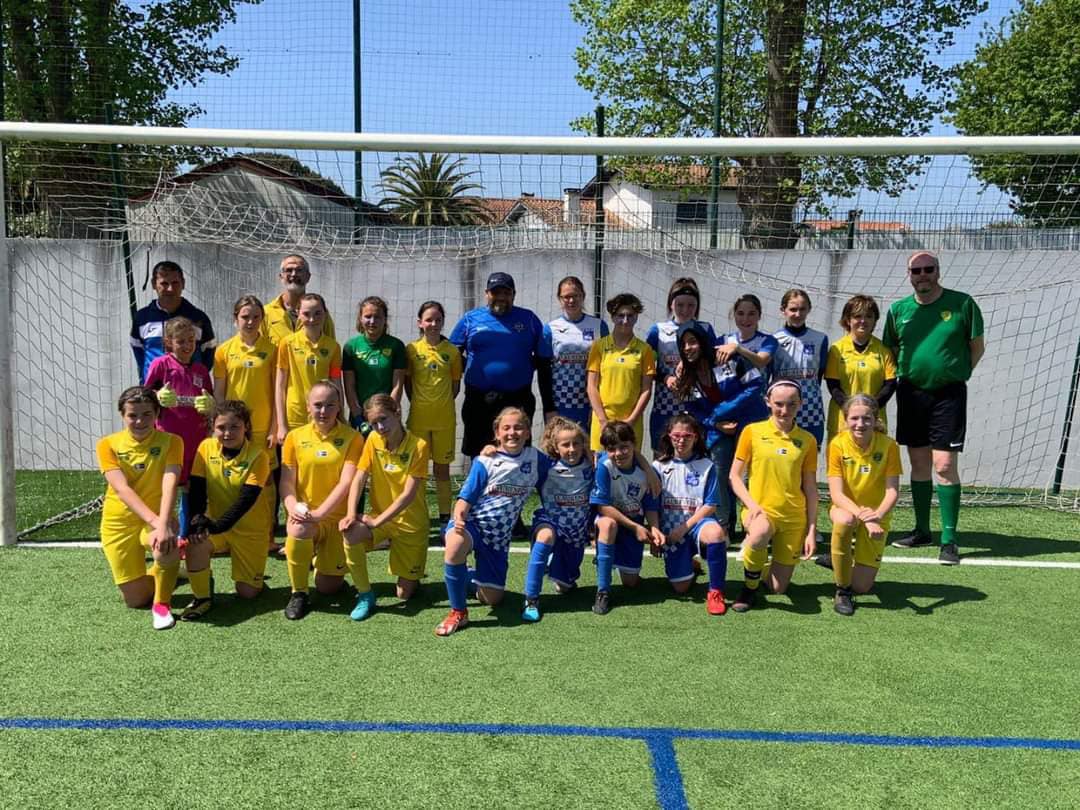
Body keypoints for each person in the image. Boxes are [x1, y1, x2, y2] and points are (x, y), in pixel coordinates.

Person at [883, 251, 984, 565]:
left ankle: (949, 539)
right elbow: (891, 349)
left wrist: (960, 373)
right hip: (911, 393)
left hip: (948, 394)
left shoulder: (962, 304)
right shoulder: (898, 310)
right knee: (919, 462)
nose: (922, 275)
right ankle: (922, 530)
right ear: (908, 274)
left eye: (928, 269)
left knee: (943, 465)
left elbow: (976, 346)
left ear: (937, 271)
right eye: (917, 270)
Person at [435, 407, 551, 636]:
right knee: (455, 544)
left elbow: (564, 467)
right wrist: (458, 519)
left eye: (518, 427)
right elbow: (464, 500)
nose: (512, 432)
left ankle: (465, 575)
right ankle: (458, 611)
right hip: (473, 525)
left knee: (492, 599)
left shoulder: (536, 459)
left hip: (497, 538)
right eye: (506, 428)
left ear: (528, 432)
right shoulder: (486, 460)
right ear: (496, 434)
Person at [96, 386, 183, 630]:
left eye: (147, 414)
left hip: (157, 516)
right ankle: (169, 571)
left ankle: (162, 604)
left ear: (156, 413)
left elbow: (170, 483)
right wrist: (160, 524)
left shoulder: (172, 442)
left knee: (165, 545)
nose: (140, 421)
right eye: (132, 415)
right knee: (135, 600)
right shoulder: (107, 445)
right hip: (119, 521)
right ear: (122, 416)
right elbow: (123, 490)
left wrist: (163, 522)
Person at [673, 319, 768, 541]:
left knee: (750, 476)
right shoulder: (686, 374)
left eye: (693, 342)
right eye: (684, 344)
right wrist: (715, 424)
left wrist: (719, 413)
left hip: (750, 423)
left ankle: (755, 523)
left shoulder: (728, 358)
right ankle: (724, 525)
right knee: (718, 469)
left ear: (704, 342)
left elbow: (755, 386)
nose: (688, 348)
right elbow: (692, 409)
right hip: (719, 429)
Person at [339, 395, 431, 621]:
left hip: (411, 525)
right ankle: (365, 594)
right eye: (374, 423)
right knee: (350, 532)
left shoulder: (419, 446)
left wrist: (375, 522)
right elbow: (359, 477)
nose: (380, 427)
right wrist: (351, 513)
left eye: (384, 419)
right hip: (381, 519)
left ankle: (410, 571)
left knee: (404, 595)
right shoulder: (372, 439)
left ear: (397, 413)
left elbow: (408, 496)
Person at [729, 380, 819, 612]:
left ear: (800, 404)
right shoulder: (752, 432)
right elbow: (735, 477)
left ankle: (761, 569)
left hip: (793, 516)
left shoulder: (808, 440)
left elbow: (810, 488)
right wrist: (752, 505)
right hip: (761, 511)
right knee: (758, 535)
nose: (784, 410)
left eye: (791, 404)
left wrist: (811, 530)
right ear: (767, 402)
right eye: (778, 404)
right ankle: (749, 588)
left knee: (778, 588)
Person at [279, 381, 364, 620]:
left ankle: (317, 560)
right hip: (306, 516)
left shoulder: (353, 438)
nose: (323, 411)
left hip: (336, 519)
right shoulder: (295, 437)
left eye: (330, 405)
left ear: (339, 407)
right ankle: (299, 593)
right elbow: (286, 482)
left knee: (329, 588)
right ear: (308, 407)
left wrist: (321, 513)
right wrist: (293, 507)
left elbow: (346, 482)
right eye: (318, 405)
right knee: (299, 526)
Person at [449, 271, 554, 459]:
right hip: (479, 400)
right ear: (486, 294)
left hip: (518, 399)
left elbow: (544, 361)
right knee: (480, 455)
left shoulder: (529, 319)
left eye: (506, 293)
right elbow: (450, 353)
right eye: (495, 292)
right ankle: (480, 488)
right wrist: (473, 369)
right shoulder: (470, 319)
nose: (501, 297)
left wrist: (549, 405)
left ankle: (516, 489)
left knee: (517, 454)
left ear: (514, 294)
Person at [186, 401, 276, 612]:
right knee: (195, 544)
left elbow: (246, 500)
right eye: (221, 428)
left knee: (248, 593)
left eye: (234, 427)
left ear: (246, 427)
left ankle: (256, 576)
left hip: (249, 529)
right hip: (217, 524)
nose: (227, 433)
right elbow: (197, 489)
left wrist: (216, 526)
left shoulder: (259, 456)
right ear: (212, 428)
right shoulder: (206, 447)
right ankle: (202, 596)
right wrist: (197, 521)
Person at [825, 395, 902, 615]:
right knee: (844, 520)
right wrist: (864, 516)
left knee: (863, 586)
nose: (860, 424)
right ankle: (842, 590)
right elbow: (837, 494)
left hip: (877, 516)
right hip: (847, 509)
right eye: (854, 418)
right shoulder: (837, 444)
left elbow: (892, 491)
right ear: (846, 419)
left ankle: (839, 559)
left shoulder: (889, 446)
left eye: (866, 419)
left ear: (875, 419)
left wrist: (875, 516)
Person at [144, 316, 214, 537]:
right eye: (181, 341)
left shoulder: (201, 370)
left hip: (196, 439)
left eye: (191, 340)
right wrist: (157, 396)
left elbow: (208, 398)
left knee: (191, 490)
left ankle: (186, 538)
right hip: (169, 439)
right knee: (167, 489)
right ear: (169, 343)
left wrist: (209, 405)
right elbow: (144, 397)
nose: (187, 346)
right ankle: (160, 534)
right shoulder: (161, 365)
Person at [521, 417, 594, 622]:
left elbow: (621, 455)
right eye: (565, 444)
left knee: (564, 587)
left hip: (576, 533)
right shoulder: (546, 465)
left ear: (583, 444)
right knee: (545, 538)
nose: (571, 449)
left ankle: (557, 566)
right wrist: (490, 450)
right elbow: (519, 454)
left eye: (576, 443)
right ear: (555, 446)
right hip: (551, 520)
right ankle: (531, 599)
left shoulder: (591, 465)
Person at [652, 414, 728, 612]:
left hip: (696, 525)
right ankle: (691, 564)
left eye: (687, 435)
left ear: (696, 437)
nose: (681, 440)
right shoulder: (658, 467)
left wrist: (684, 528)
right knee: (680, 588)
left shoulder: (706, 466)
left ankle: (716, 591)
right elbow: (652, 505)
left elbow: (710, 505)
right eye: (677, 435)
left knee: (716, 534)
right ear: (669, 436)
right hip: (671, 532)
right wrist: (656, 534)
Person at [590, 421, 663, 615]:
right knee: (607, 525)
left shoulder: (648, 474)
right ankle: (603, 591)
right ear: (606, 450)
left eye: (624, 447)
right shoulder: (604, 466)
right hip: (616, 521)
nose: (619, 453)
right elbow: (602, 506)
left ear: (634, 445)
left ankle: (614, 560)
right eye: (612, 449)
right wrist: (635, 527)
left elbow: (650, 505)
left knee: (630, 583)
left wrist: (654, 528)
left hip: (633, 523)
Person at [404, 300, 463, 525]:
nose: (434, 324)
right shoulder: (411, 350)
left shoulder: (452, 352)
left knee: (442, 470)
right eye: (429, 320)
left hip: (444, 420)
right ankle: (418, 514)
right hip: (418, 419)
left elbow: (455, 386)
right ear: (420, 322)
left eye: (438, 320)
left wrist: (441, 403)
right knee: (416, 469)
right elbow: (408, 384)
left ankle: (445, 516)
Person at [646, 278, 717, 452]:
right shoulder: (658, 331)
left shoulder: (705, 329)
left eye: (691, 305)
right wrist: (665, 378)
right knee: (662, 460)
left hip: (696, 406)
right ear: (671, 305)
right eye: (680, 305)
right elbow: (645, 369)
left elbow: (713, 366)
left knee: (696, 459)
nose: (685, 310)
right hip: (665, 406)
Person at [586, 293, 656, 452]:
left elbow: (646, 390)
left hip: (631, 422)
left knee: (630, 469)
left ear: (636, 317)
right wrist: (603, 420)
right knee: (602, 467)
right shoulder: (599, 346)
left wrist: (631, 420)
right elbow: (591, 386)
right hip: (603, 421)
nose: (625, 321)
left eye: (630, 316)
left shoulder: (645, 350)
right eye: (620, 316)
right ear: (612, 317)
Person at [824, 294, 897, 444]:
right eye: (857, 316)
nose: (863, 321)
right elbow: (833, 386)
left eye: (869, 316)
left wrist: (869, 410)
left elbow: (890, 385)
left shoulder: (884, 350)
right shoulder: (837, 349)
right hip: (842, 420)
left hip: (874, 420)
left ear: (875, 320)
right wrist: (852, 410)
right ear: (848, 320)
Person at [275, 293, 344, 444]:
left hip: (324, 415)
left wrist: (341, 415)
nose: (312, 319)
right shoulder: (287, 344)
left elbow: (336, 382)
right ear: (298, 315)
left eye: (317, 313)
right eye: (306, 314)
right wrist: (281, 425)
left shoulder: (333, 347)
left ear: (325, 314)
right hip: (295, 417)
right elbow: (280, 386)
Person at [131, 260, 215, 381]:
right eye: (164, 283)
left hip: (189, 392)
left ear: (183, 283)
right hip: (154, 393)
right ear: (154, 284)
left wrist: (193, 378)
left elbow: (208, 353)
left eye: (175, 283)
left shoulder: (198, 318)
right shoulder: (142, 318)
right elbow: (139, 353)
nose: (170, 289)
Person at [543, 276, 609, 430]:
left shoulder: (599, 326)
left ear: (583, 296)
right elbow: (544, 371)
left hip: (590, 404)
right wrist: (549, 408)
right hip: (561, 404)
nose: (571, 300)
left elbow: (606, 366)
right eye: (566, 297)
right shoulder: (550, 329)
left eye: (575, 295)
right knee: (561, 450)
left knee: (590, 451)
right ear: (560, 299)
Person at [213, 296, 277, 453]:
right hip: (233, 427)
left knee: (264, 474)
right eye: (245, 317)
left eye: (256, 317)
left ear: (262, 319)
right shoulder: (223, 350)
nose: (250, 322)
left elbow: (278, 392)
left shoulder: (273, 350)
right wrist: (221, 424)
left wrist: (274, 427)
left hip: (262, 424)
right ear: (236, 318)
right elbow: (219, 393)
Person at [772, 289, 829, 446]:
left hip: (811, 411)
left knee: (809, 464)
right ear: (783, 310)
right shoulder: (773, 340)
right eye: (793, 309)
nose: (798, 314)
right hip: (784, 410)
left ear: (809, 309)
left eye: (802, 309)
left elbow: (820, 375)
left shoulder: (820, 339)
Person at [343, 295, 407, 428]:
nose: (372, 321)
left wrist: (389, 413)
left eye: (377, 317)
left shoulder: (396, 345)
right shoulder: (351, 346)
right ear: (360, 319)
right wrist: (357, 415)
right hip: (360, 415)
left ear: (385, 319)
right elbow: (349, 385)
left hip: (386, 416)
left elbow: (398, 385)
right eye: (367, 316)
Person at [262, 254, 336, 346]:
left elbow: (330, 348)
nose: (294, 274)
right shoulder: (265, 313)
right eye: (289, 270)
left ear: (308, 277)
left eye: (299, 270)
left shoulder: (320, 313)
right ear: (281, 276)